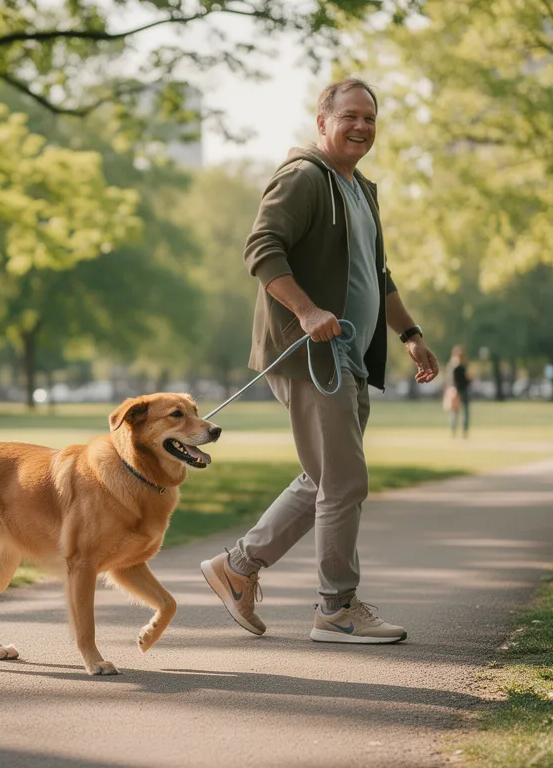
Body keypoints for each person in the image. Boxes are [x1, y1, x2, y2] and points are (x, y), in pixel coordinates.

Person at [200, 77, 439, 645]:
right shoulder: (304, 177)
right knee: (344, 479)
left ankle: (239, 566)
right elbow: (261, 248)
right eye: (350, 116)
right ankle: (336, 608)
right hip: (309, 353)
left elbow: (376, 276)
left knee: (325, 476)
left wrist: (409, 332)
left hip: (347, 354)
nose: (361, 127)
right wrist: (306, 311)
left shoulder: (361, 189)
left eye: (370, 119)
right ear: (323, 122)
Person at [446, 345, 472, 438]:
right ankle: (454, 431)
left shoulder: (462, 366)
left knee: (463, 412)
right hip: (457, 391)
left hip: (463, 390)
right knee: (456, 411)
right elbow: (453, 380)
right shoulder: (455, 366)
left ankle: (464, 431)